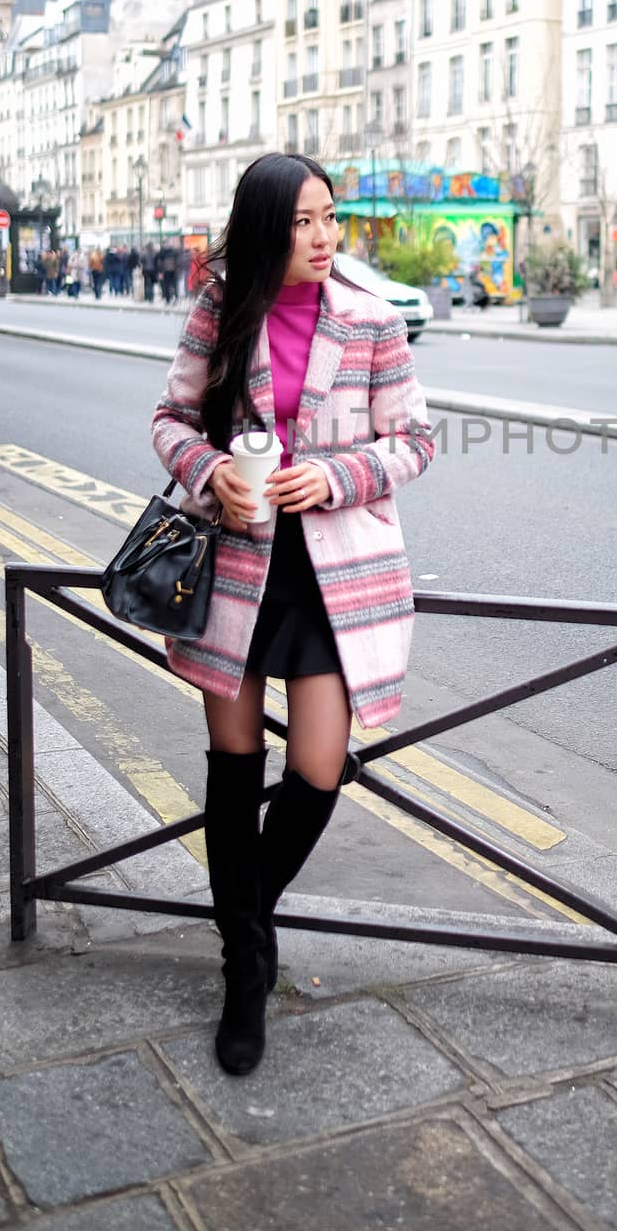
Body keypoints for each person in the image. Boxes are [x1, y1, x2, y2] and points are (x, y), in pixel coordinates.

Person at [151, 153, 433, 1076]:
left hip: (331, 576)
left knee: (317, 765)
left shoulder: (371, 318)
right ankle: (246, 971)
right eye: (304, 221)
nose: (324, 237)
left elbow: (416, 441)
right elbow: (170, 421)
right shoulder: (220, 310)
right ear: (267, 226)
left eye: (330, 217)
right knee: (234, 764)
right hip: (233, 564)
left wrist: (338, 474)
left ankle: (245, 924)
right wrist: (209, 475)